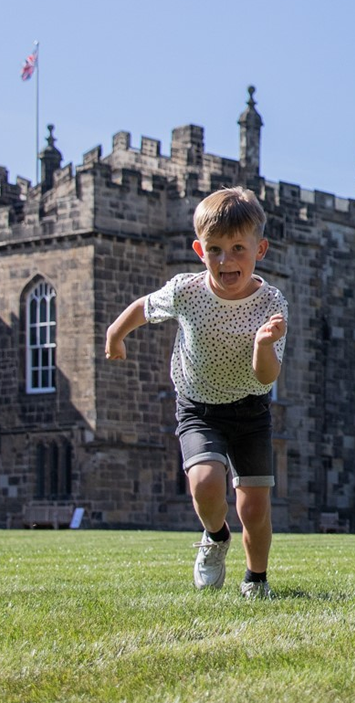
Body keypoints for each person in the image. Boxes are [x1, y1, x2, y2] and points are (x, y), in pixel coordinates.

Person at [104, 187, 288, 599]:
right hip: (198, 407)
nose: (226, 260)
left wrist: (262, 345)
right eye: (215, 249)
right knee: (205, 485)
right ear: (198, 249)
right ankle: (215, 536)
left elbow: (266, 377)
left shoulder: (272, 302)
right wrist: (117, 333)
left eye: (238, 248)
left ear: (260, 249)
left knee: (254, 508)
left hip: (251, 410)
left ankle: (256, 581)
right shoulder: (187, 290)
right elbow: (144, 307)